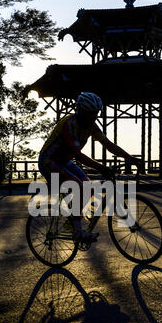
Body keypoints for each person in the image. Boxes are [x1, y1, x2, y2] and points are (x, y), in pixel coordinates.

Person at [37, 92, 142, 242]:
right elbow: (77, 154)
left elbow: (108, 145)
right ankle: (78, 232)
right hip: (48, 161)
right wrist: (101, 168)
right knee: (79, 185)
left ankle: (72, 222)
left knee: (87, 185)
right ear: (80, 111)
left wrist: (130, 158)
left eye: (96, 114)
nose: (94, 117)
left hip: (64, 161)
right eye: (90, 114)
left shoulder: (91, 126)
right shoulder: (69, 124)